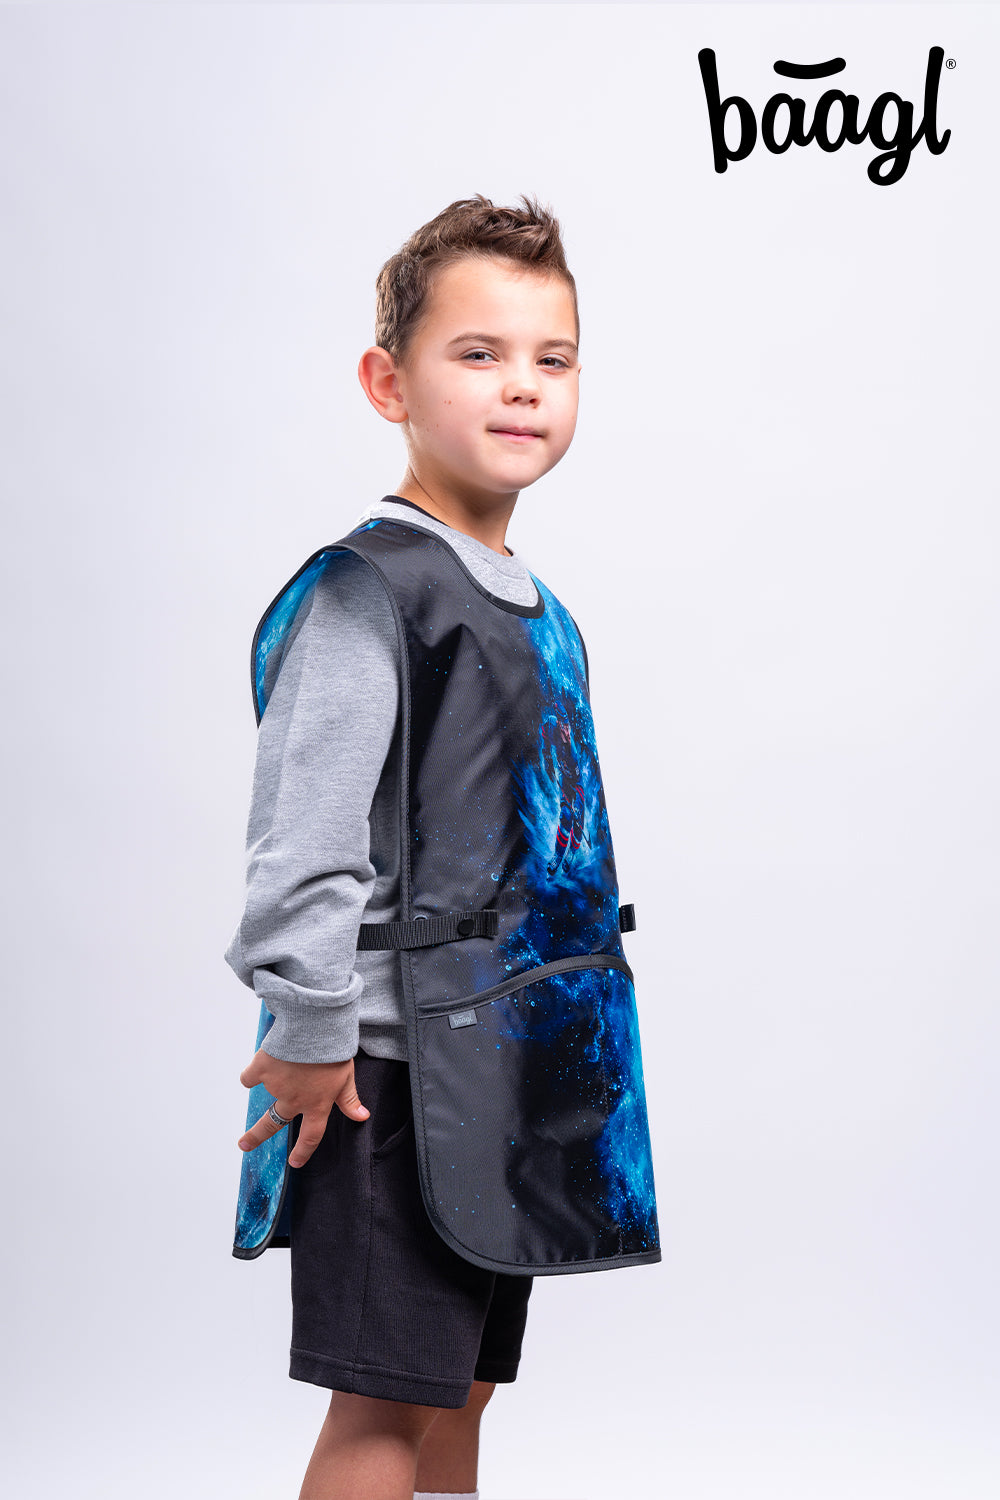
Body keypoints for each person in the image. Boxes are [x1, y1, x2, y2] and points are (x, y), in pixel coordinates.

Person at [224, 193, 657, 1500]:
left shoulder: (540, 607)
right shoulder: (370, 592)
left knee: (460, 1394)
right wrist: (312, 1034)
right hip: (388, 1078)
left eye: (552, 358)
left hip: (504, 1073)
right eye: (478, 353)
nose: (521, 385)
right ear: (389, 385)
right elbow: (302, 846)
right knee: (382, 1409)